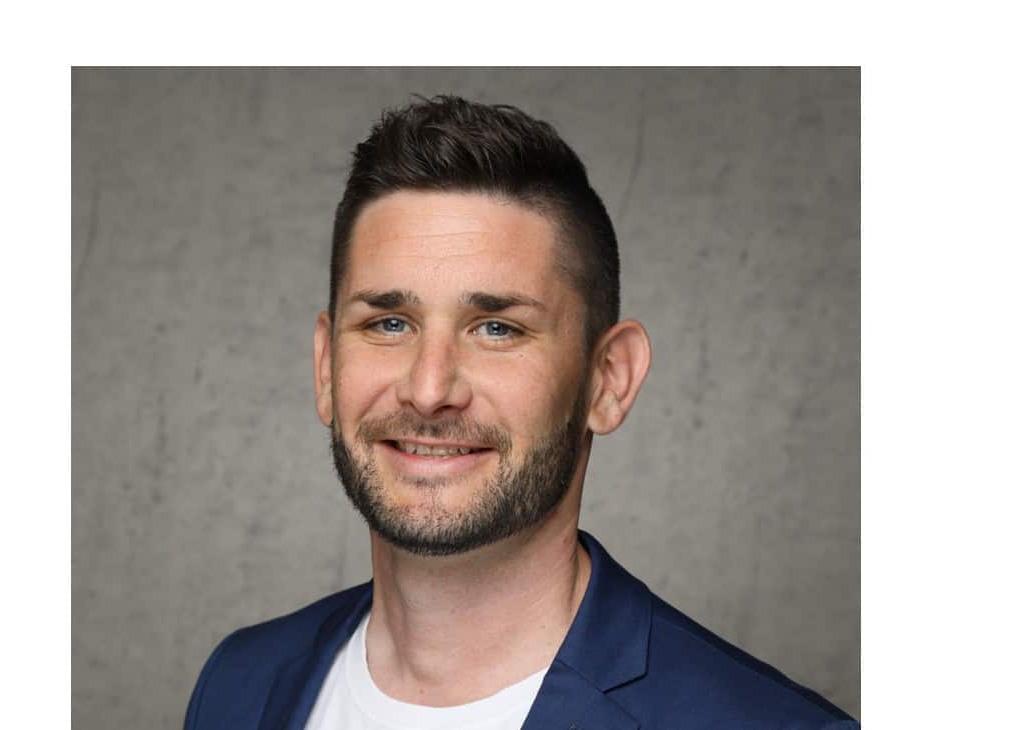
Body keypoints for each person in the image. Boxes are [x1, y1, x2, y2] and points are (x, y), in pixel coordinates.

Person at [184, 95, 858, 729]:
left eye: (496, 328)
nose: (429, 389)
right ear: (327, 367)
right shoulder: (239, 683)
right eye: (389, 323)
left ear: (608, 379)